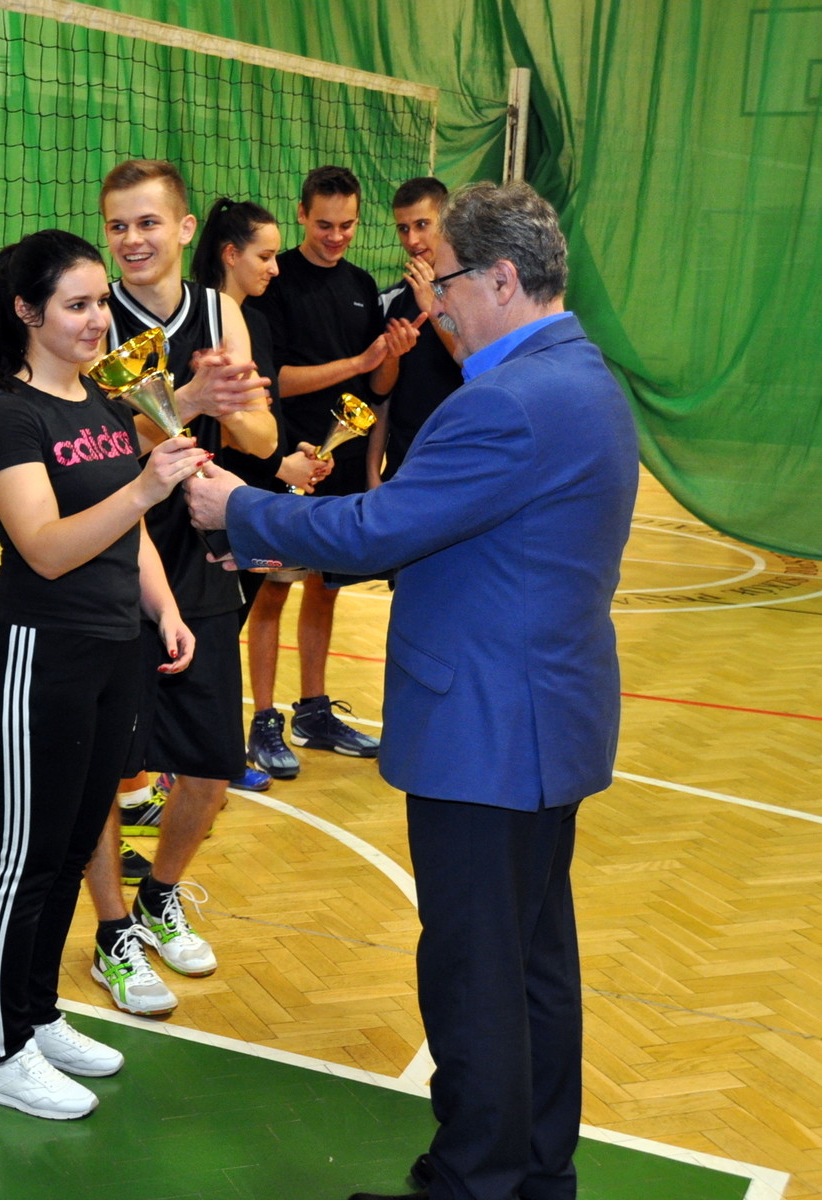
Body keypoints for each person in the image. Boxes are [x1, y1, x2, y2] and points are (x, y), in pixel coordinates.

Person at [186, 180, 640, 1200]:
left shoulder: (504, 403)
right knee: (531, 966)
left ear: (501, 279)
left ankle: (471, 1181)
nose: (435, 307)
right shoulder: (584, 378)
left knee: (475, 972)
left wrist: (237, 509)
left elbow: (377, 529)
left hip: (487, 730)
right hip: (542, 720)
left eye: (445, 286)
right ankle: (533, 1173)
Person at [0, 229, 205, 1118]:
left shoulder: (103, 402)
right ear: (26, 312)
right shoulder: (8, 414)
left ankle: (34, 1015)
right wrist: (145, 485)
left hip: (112, 650)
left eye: (101, 301)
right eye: (76, 304)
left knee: (71, 850)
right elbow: (44, 545)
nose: (98, 318)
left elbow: (128, 531)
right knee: (25, 858)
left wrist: (164, 607)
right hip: (39, 654)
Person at [82, 159, 276, 1016]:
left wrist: (222, 405)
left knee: (209, 762)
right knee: (103, 762)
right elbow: (88, 439)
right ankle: (111, 931)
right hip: (111, 550)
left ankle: (159, 897)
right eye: (118, 225)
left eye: (147, 222)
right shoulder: (92, 311)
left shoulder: (219, 311)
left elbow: (261, 437)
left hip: (199, 552)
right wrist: (189, 398)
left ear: (185, 228)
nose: (132, 239)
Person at [246, 165, 422, 768]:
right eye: (324, 224)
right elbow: (275, 380)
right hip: (287, 462)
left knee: (325, 588)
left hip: (341, 466)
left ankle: (313, 712)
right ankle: (263, 721)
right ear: (302, 215)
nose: (336, 236)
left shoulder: (361, 284)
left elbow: (377, 386)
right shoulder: (275, 281)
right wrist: (359, 362)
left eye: (347, 225)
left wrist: (390, 355)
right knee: (272, 590)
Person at [192, 197, 334, 781]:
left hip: (249, 494)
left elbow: (259, 416)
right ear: (231, 254)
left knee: (228, 621)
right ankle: (188, 761)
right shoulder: (203, 317)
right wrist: (280, 466)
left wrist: (291, 455)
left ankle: (212, 755)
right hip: (207, 497)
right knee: (204, 630)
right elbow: (220, 421)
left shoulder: (255, 321)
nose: (275, 268)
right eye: (265, 256)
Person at [366, 178, 463, 487]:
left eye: (422, 225)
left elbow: (476, 363)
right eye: (403, 228)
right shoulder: (393, 301)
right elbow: (381, 395)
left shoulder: (473, 291)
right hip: (404, 466)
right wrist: (372, 473)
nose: (412, 239)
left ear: (446, 221)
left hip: (460, 462)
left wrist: (434, 310)